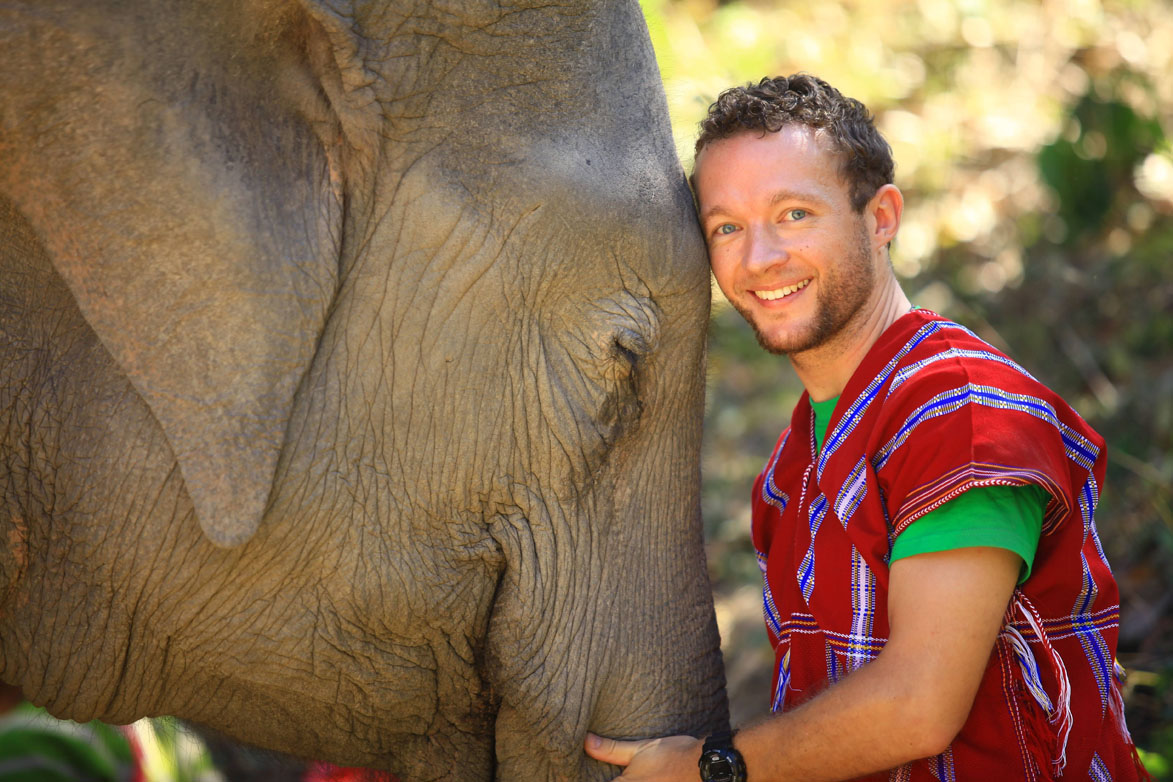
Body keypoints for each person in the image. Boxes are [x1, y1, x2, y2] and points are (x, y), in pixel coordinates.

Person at [584, 74, 1149, 781]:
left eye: (792, 214)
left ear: (880, 218)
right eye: (726, 227)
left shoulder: (961, 413)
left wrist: (710, 768)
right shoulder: (796, 462)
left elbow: (917, 704)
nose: (758, 259)